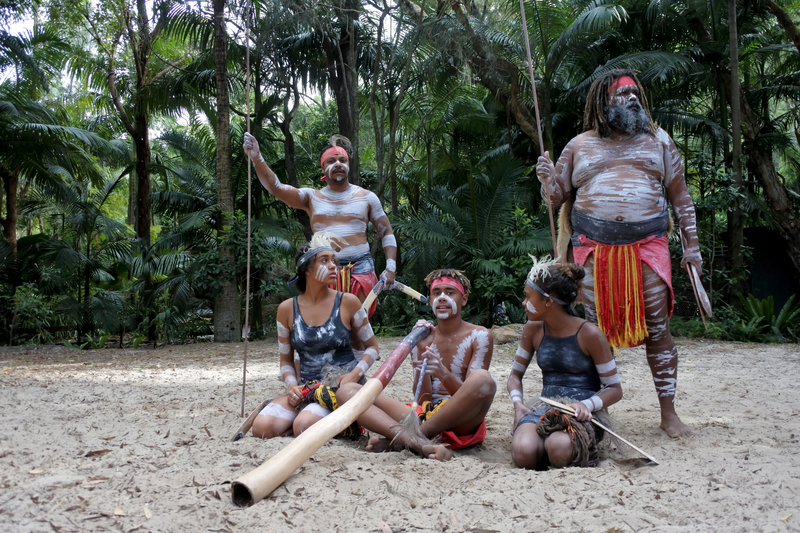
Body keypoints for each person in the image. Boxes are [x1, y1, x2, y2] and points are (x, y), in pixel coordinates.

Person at [536, 69, 700, 438]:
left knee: (658, 327)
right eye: (620, 94)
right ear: (601, 104)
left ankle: (669, 413)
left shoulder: (659, 141)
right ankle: (595, 412)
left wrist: (693, 248)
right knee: (594, 331)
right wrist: (547, 178)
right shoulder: (579, 145)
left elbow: (681, 197)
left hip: (648, 247)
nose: (631, 99)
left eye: (634, 92)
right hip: (593, 251)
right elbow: (556, 196)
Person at [336, 269, 496, 461]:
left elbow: (474, 394)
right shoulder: (422, 336)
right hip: (426, 414)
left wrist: (443, 374)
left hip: (462, 419)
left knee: (483, 379)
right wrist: (421, 349)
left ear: (464, 299)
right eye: (437, 293)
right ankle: (420, 444)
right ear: (430, 300)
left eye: (450, 292)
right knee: (347, 391)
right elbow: (422, 400)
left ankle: (406, 439)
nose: (442, 298)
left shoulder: (480, 336)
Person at [242, 132, 397, 317]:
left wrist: (390, 268)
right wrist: (257, 157)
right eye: (331, 161)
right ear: (323, 168)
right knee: (325, 325)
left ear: (348, 165)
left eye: (342, 160)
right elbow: (276, 187)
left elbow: (386, 231)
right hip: (324, 268)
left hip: (360, 267)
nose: (338, 164)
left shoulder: (367, 197)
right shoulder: (311, 197)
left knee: (358, 324)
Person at [251, 232, 380, 439]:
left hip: (341, 388)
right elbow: (285, 361)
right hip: (306, 388)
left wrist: (354, 375)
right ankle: (303, 418)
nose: (333, 266)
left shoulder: (348, 302)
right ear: (307, 270)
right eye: (324, 260)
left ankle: (326, 419)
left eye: (334, 261)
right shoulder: (286, 309)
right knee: (262, 428)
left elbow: (373, 348)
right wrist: (292, 386)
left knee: (304, 425)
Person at [508, 257, 622, 469]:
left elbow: (614, 389)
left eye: (528, 297)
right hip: (545, 408)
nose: (524, 303)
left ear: (548, 301)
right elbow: (515, 376)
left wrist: (586, 405)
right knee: (523, 452)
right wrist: (518, 406)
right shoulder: (533, 329)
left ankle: (571, 445)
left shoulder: (589, 334)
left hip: (582, 414)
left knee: (558, 448)